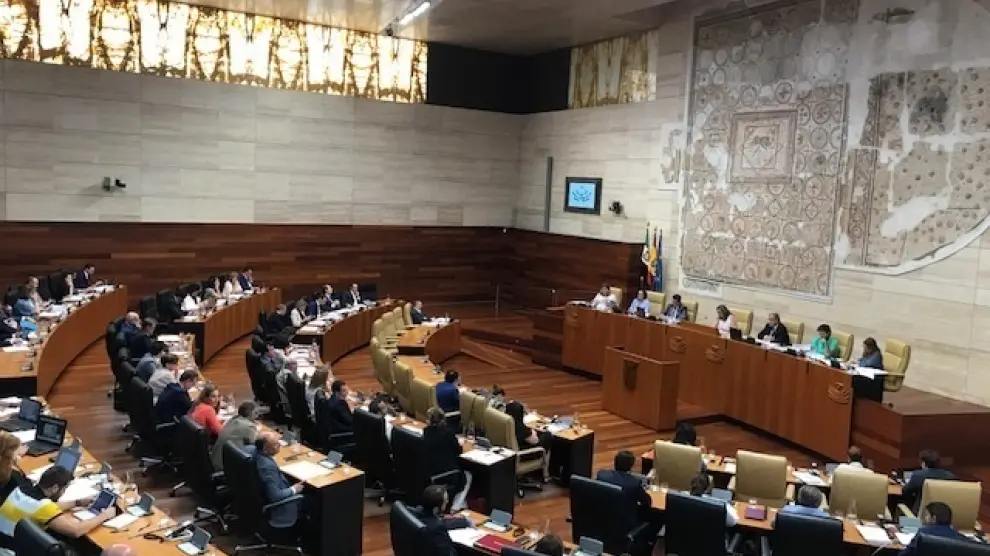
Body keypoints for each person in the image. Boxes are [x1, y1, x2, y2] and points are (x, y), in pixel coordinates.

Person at [0, 466, 115, 544]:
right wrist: (104, 516)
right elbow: (76, 531)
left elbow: (40, 509)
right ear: (55, 488)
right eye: (64, 489)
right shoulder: (44, 506)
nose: (63, 492)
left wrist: (77, 502)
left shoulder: (22, 489)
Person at [250, 431, 303, 530]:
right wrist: (294, 489)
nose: (280, 445)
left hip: (261, 498)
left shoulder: (254, 452)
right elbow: (275, 496)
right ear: (265, 449)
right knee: (313, 500)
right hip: (280, 507)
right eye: (275, 444)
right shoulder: (267, 467)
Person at [422, 408, 471, 511]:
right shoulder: (448, 433)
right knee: (468, 475)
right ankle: (457, 505)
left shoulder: (426, 432)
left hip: (431, 474)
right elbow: (458, 451)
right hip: (448, 474)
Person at [413, 485, 471, 556]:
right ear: (436, 509)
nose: (447, 502)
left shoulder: (415, 512)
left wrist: (464, 521)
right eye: (445, 501)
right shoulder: (437, 528)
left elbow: (443, 522)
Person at [898, 502, 974, 556]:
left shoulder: (923, 534)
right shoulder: (960, 539)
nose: (924, 518)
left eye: (926, 515)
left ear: (933, 518)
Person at [505, 401, 550, 481]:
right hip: (521, 455)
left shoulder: (505, 423)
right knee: (547, 435)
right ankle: (546, 473)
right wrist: (533, 431)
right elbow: (535, 441)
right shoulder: (520, 428)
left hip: (507, 453)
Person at [212, 401, 258, 471]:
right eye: (256, 413)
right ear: (250, 414)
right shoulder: (249, 426)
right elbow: (256, 445)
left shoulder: (233, 419)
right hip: (225, 467)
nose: (257, 416)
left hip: (215, 460)